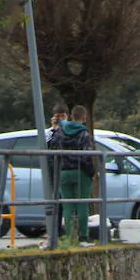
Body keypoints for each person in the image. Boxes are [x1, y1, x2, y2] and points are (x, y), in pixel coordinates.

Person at [52, 104, 96, 245]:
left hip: (64, 171)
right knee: (82, 204)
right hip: (80, 172)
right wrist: (91, 172)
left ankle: (69, 236)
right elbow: (87, 155)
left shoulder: (61, 131)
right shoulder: (84, 134)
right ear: (84, 118)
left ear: (71, 116)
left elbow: (53, 145)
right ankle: (83, 236)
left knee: (67, 205)